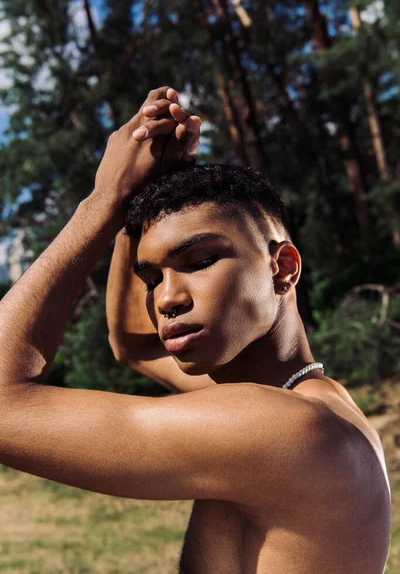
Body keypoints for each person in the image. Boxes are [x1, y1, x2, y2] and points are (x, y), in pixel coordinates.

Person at [0, 87, 391, 573]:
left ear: (283, 269)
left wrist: (104, 200)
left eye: (200, 260)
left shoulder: (284, 428)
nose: (165, 299)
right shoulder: (315, 401)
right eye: (152, 277)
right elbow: (136, 344)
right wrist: (140, 203)